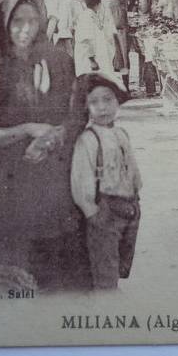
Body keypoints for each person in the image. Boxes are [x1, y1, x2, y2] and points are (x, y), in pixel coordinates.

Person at [0, 0, 89, 291]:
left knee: (58, 271)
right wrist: (27, 130)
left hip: (54, 181)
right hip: (12, 184)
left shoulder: (58, 61)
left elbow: (77, 116)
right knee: (15, 274)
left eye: (33, 21)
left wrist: (51, 138)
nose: (26, 29)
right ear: (3, 25)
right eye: (17, 22)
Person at [71, 72, 142, 290]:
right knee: (105, 265)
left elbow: (131, 168)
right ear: (85, 107)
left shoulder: (121, 133)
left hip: (129, 206)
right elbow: (80, 183)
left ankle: (111, 289)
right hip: (105, 210)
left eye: (108, 99)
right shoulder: (88, 140)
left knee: (121, 260)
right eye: (94, 102)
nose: (103, 107)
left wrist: (135, 194)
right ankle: (106, 297)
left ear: (117, 101)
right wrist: (93, 213)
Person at [94, 0, 135, 83]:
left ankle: (126, 84)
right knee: (104, 54)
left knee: (122, 54)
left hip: (118, 22)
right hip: (101, 22)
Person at [74, 0, 120, 77]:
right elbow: (86, 40)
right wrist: (92, 61)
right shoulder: (86, 17)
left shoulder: (93, 15)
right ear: (98, 3)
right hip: (90, 61)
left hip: (99, 57)